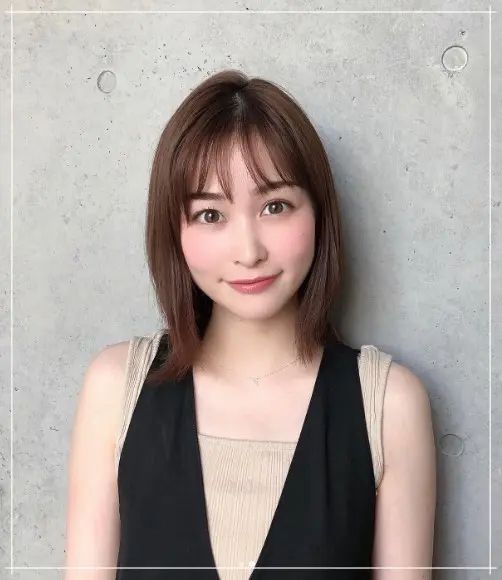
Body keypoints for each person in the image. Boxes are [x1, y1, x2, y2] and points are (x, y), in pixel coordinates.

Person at [63, 70, 436, 579]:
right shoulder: (116, 389)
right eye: (210, 215)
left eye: (275, 206)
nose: (248, 251)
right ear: (174, 230)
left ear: (318, 213)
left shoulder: (389, 405)